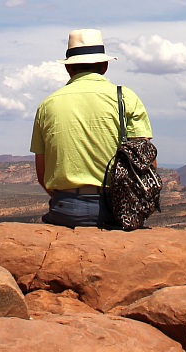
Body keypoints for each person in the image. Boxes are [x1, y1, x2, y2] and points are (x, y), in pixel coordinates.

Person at [30, 29, 154, 228]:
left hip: (65, 208)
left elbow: (42, 172)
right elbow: (148, 162)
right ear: (104, 66)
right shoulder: (126, 98)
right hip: (117, 210)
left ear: (68, 68)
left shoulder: (48, 104)